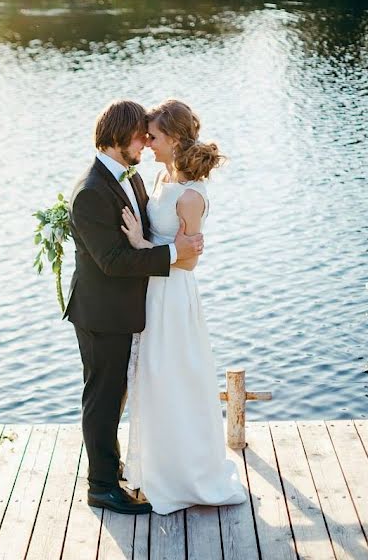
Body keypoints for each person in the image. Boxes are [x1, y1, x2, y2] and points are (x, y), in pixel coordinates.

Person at [64, 99, 204, 515]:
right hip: (101, 313)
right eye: (139, 136)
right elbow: (113, 261)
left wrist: (169, 245)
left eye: (148, 136)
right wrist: (171, 253)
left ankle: (112, 465)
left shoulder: (130, 177)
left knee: (117, 394)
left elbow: (140, 234)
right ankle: (101, 486)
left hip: (127, 309)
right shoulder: (90, 192)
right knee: (103, 397)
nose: (145, 142)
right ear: (119, 137)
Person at [120, 99, 247, 515]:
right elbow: (174, 244)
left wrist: (142, 245)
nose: (147, 143)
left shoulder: (191, 195)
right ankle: (155, 467)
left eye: (153, 137)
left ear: (172, 139)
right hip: (153, 289)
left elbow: (190, 260)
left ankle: (183, 475)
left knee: (173, 377)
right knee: (153, 379)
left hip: (173, 295)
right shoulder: (161, 176)